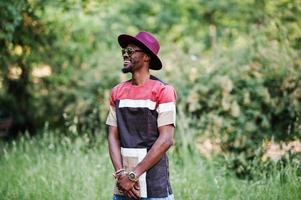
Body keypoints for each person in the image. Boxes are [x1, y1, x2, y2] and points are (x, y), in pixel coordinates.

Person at [106, 31, 176, 200]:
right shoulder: (117, 92)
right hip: (123, 187)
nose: (125, 53)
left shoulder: (163, 91)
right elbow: (113, 137)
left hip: (154, 188)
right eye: (124, 50)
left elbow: (166, 140)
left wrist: (132, 176)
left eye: (130, 51)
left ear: (146, 57)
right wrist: (122, 175)